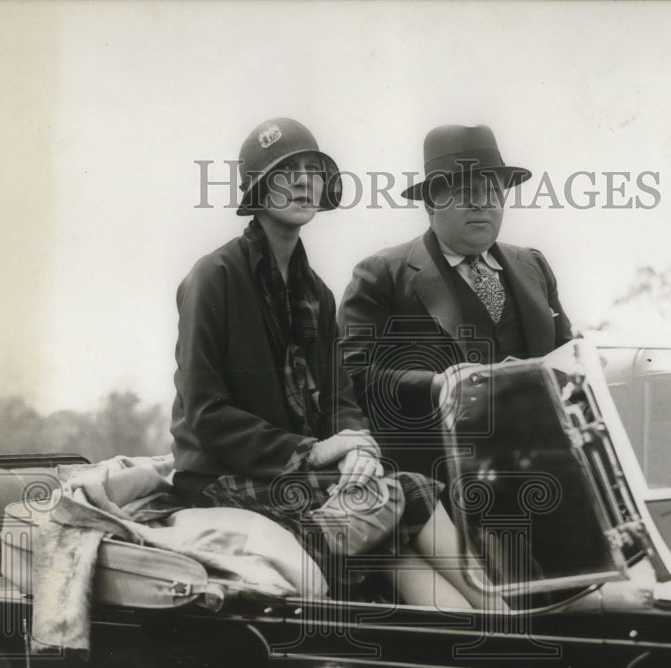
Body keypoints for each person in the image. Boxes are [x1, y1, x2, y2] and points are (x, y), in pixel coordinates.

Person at [170, 118, 483, 609]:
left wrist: (358, 448)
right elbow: (206, 415)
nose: (301, 181)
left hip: (291, 475)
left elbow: (340, 398)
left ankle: (499, 622)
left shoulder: (315, 291)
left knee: (399, 500)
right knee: (397, 497)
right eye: (284, 171)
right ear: (256, 191)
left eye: (311, 169)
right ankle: (498, 630)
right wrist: (313, 452)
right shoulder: (214, 277)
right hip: (220, 478)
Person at [337, 124, 574, 481]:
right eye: (465, 191)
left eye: (492, 190)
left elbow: (567, 355)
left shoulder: (534, 264)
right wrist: (440, 385)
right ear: (431, 202)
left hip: (543, 472)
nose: (482, 202)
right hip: (439, 479)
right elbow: (349, 377)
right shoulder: (382, 273)